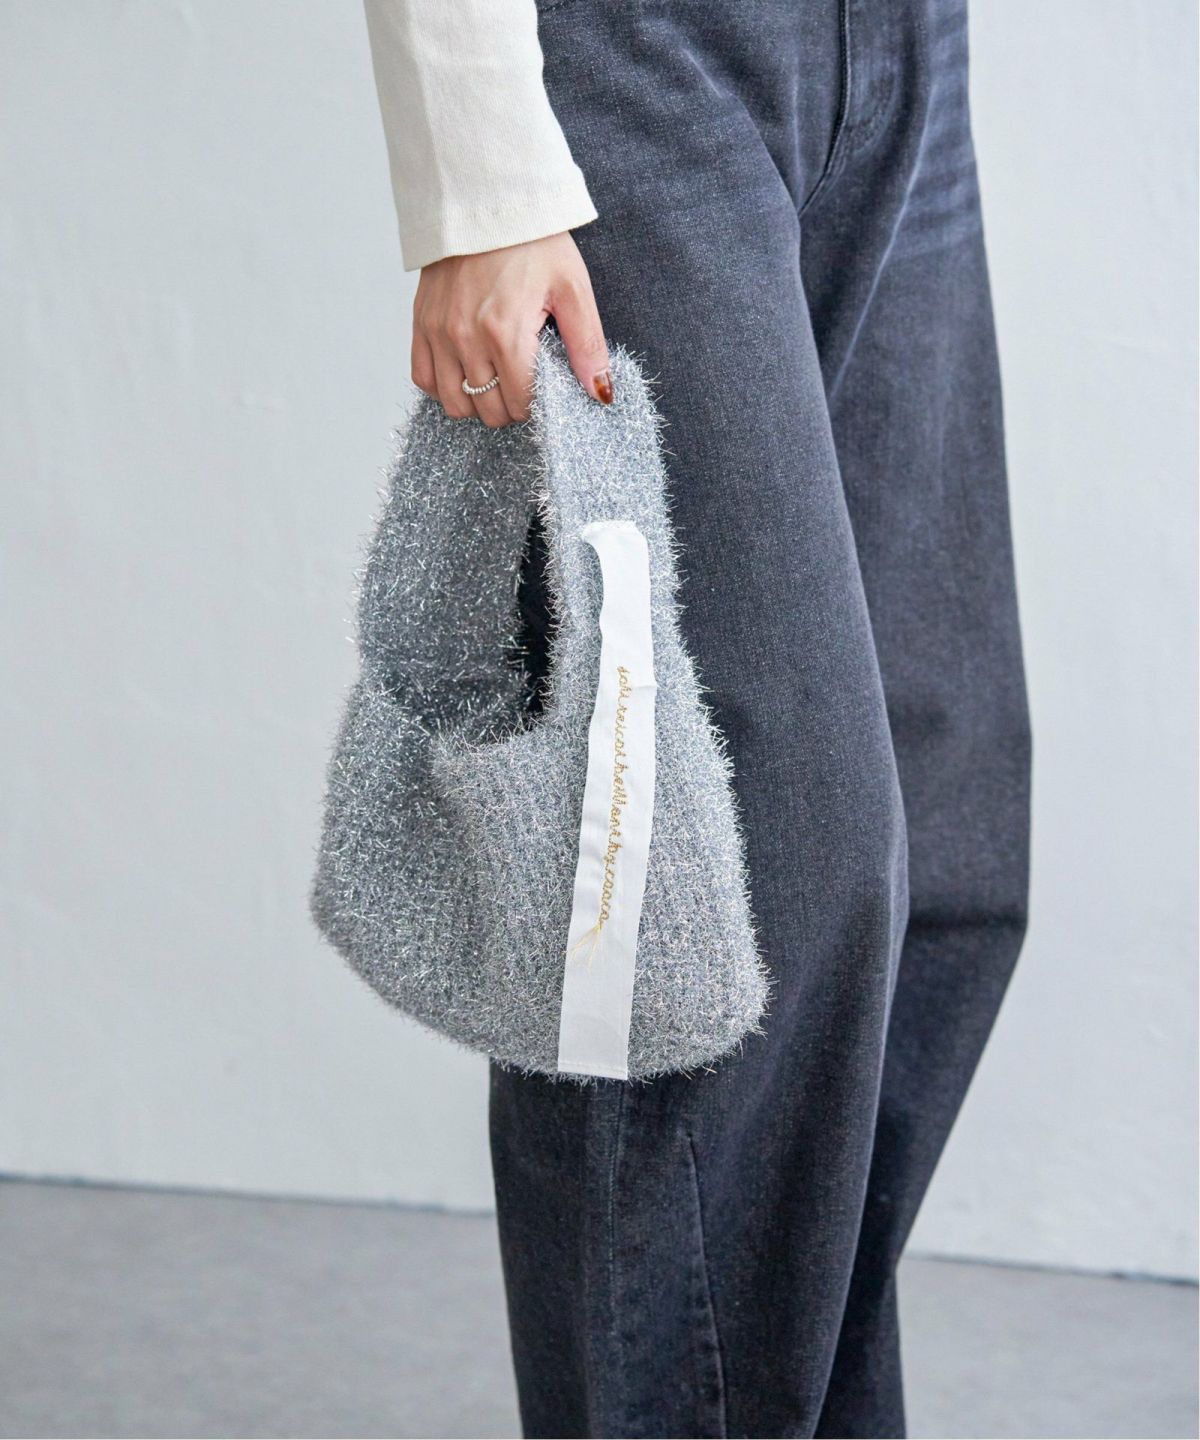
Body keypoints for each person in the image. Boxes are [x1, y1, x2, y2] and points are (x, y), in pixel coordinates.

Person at [363, 3, 1032, 1436]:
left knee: (947, 852)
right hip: (639, 59)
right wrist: (480, 174)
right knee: (710, 907)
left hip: (908, 55)